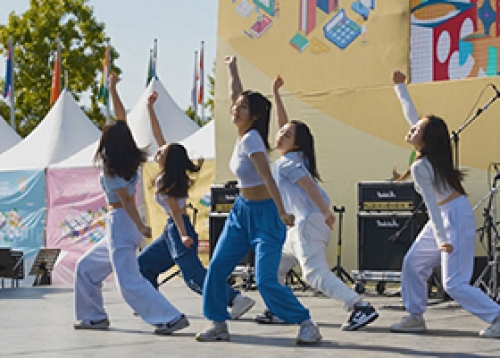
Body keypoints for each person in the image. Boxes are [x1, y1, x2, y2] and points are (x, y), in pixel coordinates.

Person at [195, 56, 322, 344]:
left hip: (267, 215)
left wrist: (281, 211)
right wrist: (231, 68)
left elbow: (267, 177)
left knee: (265, 280)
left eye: (243, 108)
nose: (236, 109)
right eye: (236, 106)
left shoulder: (252, 139)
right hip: (241, 213)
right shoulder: (243, 134)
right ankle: (218, 323)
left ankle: (306, 322)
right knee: (216, 267)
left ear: (254, 116)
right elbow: (234, 95)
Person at [251, 75, 378, 331]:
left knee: (313, 274)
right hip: (298, 227)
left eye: (286, 135)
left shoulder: (288, 163)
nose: (280, 135)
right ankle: (280, 310)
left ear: (296, 143)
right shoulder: (295, 156)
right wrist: (276, 94)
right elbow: (284, 123)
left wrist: (326, 212)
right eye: (281, 133)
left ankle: (359, 307)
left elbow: (309, 186)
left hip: (309, 222)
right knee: (272, 269)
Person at [73, 73, 189, 335]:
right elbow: (121, 118)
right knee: (86, 268)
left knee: (128, 281)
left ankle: (169, 317)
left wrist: (141, 226)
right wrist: (113, 88)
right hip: (121, 225)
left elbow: (125, 201)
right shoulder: (129, 159)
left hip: (123, 222)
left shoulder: (111, 168)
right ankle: (92, 316)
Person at [390, 70, 500, 338]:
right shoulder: (426, 153)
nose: (411, 129)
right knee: (413, 263)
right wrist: (400, 87)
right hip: (444, 214)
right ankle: (415, 316)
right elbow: (411, 114)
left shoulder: (421, 166)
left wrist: (441, 239)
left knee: (454, 283)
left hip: (453, 217)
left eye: (417, 129)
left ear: (427, 139)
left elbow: (430, 203)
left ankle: (497, 316)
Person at [137, 91, 255, 320]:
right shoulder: (170, 172)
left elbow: (174, 211)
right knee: (144, 264)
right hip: (171, 231)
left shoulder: (165, 180)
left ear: (167, 159)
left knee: (193, 277)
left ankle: (236, 298)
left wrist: (182, 235)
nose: (157, 151)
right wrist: (151, 109)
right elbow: (159, 136)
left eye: (161, 151)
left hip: (177, 228)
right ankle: (150, 302)